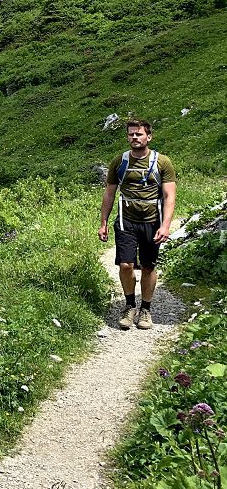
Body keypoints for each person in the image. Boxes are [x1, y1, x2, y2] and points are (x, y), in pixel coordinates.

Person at [98, 118, 176, 330]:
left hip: (152, 221)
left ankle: (146, 310)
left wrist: (166, 225)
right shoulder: (119, 162)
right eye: (131, 134)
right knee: (126, 264)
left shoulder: (163, 162)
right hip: (126, 221)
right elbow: (109, 193)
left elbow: (169, 196)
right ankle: (130, 305)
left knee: (149, 266)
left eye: (139, 134)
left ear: (148, 137)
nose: (134, 137)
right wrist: (103, 222)